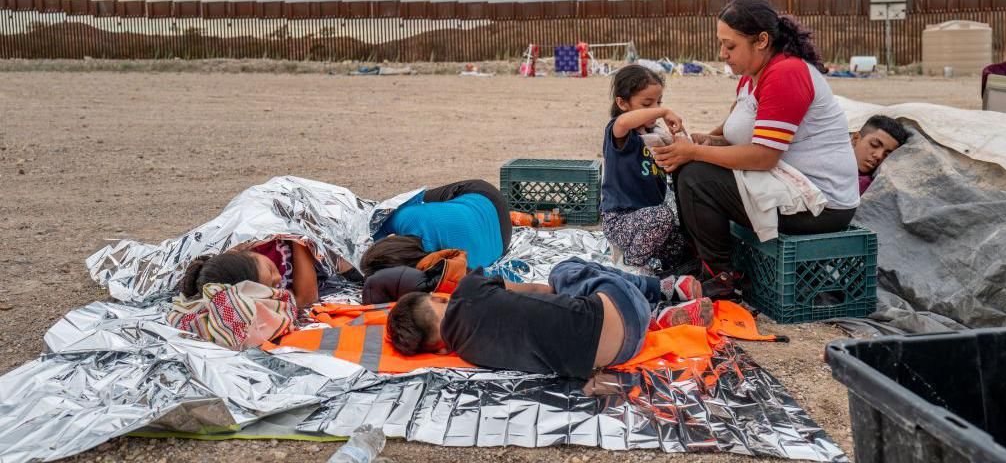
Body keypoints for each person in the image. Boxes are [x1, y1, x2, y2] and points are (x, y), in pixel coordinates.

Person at [651, 0, 859, 299]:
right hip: (790, 185)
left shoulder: (786, 73)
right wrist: (706, 142)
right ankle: (701, 264)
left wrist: (695, 152)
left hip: (822, 204)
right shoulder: (753, 78)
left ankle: (723, 277)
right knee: (690, 167)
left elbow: (764, 156)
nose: (722, 54)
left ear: (761, 40)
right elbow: (742, 140)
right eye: (721, 44)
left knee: (697, 176)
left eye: (730, 46)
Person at [386, 257, 710, 379]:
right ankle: (662, 287)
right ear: (440, 296)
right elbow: (538, 291)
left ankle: (662, 317)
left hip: (622, 352)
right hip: (623, 306)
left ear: (439, 349)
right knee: (564, 271)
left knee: (576, 303)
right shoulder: (469, 289)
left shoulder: (472, 355)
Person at [600, 65, 692, 275]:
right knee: (662, 217)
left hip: (647, 221)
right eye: (646, 104)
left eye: (658, 102)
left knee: (682, 244)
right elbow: (623, 122)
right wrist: (664, 111)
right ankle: (630, 266)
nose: (655, 109)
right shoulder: (620, 132)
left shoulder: (655, 137)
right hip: (621, 220)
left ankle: (656, 268)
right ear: (622, 103)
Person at [359, 179, 512, 302]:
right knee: (399, 203)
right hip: (487, 199)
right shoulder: (404, 218)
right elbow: (372, 224)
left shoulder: (435, 272)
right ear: (390, 241)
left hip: (500, 243)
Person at [179, 239, 324, 308]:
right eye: (274, 286)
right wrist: (298, 237)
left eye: (270, 269)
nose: (278, 277)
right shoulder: (264, 298)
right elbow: (306, 299)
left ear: (247, 253)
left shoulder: (259, 242)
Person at [851, 115, 910, 194]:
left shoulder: (866, 186)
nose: (879, 156)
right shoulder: (832, 156)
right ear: (855, 138)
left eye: (887, 154)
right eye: (874, 144)